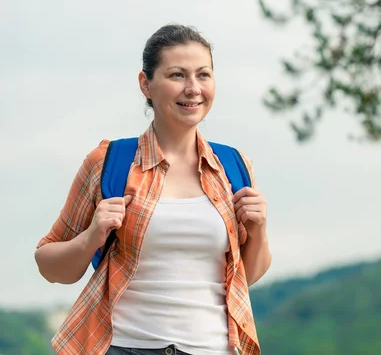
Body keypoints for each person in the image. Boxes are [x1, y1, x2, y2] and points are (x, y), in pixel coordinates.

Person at [34, 24, 271, 355]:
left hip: (216, 348)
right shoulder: (109, 162)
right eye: (177, 75)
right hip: (125, 346)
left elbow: (248, 274)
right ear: (146, 84)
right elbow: (49, 264)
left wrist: (258, 229)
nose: (193, 88)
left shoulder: (233, 166)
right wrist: (92, 237)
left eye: (203, 75)